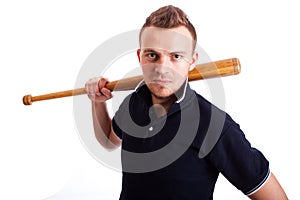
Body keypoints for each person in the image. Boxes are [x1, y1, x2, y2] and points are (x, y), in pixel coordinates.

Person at [85, 5, 288, 200]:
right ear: (140, 56)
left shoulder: (214, 125)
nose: (162, 68)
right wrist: (98, 102)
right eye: (152, 55)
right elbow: (109, 142)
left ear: (192, 60)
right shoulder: (133, 103)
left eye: (175, 56)